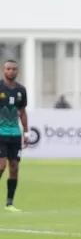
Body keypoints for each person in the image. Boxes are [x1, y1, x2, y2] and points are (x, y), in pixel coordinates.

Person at [0, 60, 29, 212]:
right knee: (1, 166)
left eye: (14, 69)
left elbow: (22, 113)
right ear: (4, 70)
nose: (11, 71)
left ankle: (9, 203)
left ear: (17, 71)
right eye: (8, 68)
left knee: (14, 168)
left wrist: (26, 132)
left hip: (15, 134)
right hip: (0, 134)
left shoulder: (21, 90)